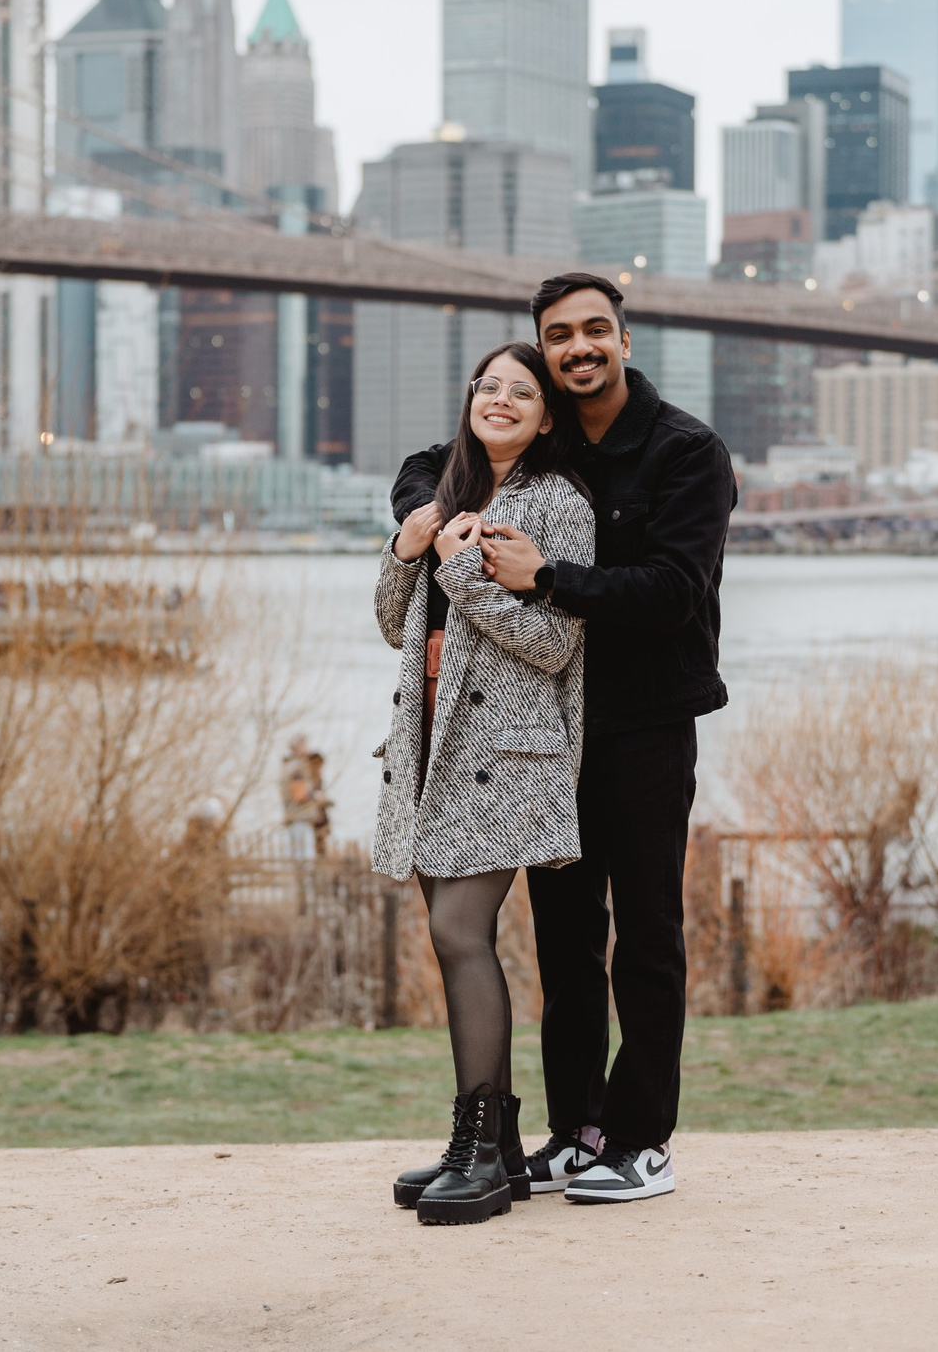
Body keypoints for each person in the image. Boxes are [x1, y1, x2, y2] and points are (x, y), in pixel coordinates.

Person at [391, 273, 734, 1206]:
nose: (578, 347)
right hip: (548, 731)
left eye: (594, 330)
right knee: (565, 939)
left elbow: (674, 591)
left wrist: (547, 577)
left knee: (647, 935)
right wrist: (436, 518)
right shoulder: (546, 433)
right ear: (543, 352)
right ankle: (576, 1129)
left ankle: (642, 1139)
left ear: (623, 338)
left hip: (645, 720)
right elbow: (430, 464)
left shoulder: (687, 451)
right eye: (559, 335)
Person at [374, 340, 595, 1228]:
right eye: (489, 386)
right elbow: (395, 626)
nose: (501, 400)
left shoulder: (559, 503)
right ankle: (491, 1144)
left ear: (545, 418)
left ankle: (480, 1150)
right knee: (454, 939)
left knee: (458, 930)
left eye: (522, 392)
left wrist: (463, 570)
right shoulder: (448, 492)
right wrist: (408, 547)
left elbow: (556, 645)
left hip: (507, 755)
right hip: (432, 743)